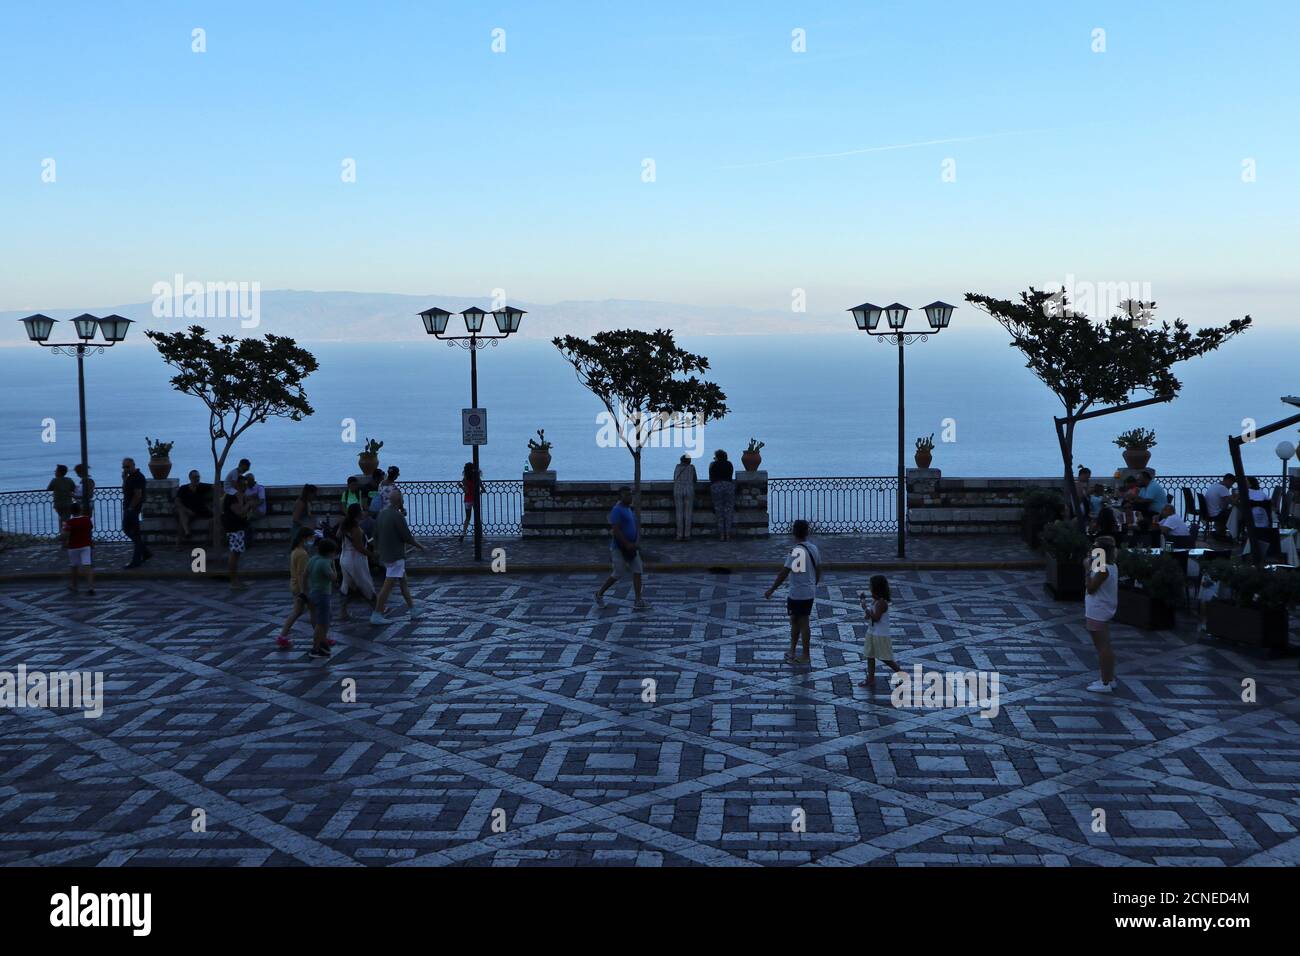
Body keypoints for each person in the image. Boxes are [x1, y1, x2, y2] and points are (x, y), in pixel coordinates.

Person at [763, 518, 821, 664]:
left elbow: (784, 573)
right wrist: (814, 584)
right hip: (808, 591)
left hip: (797, 593)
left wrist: (772, 589)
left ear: (794, 532)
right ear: (807, 532)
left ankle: (805, 654)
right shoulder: (813, 548)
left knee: (800, 622)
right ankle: (793, 650)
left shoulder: (796, 552)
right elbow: (819, 569)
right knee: (797, 621)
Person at [371, 488, 424, 623]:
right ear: (400, 501)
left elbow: (375, 535)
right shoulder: (397, 516)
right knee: (387, 585)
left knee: (403, 581)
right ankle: (377, 613)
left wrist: (378, 550)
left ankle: (413, 610)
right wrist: (421, 547)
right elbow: (407, 537)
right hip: (396, 556)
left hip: (386, 554)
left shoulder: (382, 514)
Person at [595, 486, 647, 610]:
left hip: (632, 547)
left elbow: (634, 525)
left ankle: (638, 600)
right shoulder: (617, 510)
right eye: (626, 495)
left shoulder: (629, 509)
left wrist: (636, 541)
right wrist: (626, 543)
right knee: (618, 573)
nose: (630, 497)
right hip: (619, 548)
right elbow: (616, 530)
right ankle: (599, 593)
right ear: (620, 497)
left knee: (638, 570)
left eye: (630, 494)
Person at [1084, 535, 1119, 693]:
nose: (1091, 549)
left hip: (1097, 610)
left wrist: (1086, 572)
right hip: (1102, 609)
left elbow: (1091, 588)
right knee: (1105, 646)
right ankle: (1109, 678)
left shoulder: (1103, 569)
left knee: (1102, 647)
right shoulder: (1110, 566)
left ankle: (1105, 682)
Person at [276, 528, 316, 650]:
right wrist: (304, 592)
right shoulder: (302, 554)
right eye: (311, 538)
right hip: (301, 588)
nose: (312, 540)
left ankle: (282, 636)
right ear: (304, 538)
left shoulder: (296, 551)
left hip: (295, 586)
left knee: (298, 612)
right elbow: (301, 574)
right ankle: (320, 637)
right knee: (313, 611)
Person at [858, 575, 901, 686]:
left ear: (876, 588)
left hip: (880, 635)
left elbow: (876, 618)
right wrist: (866, 607)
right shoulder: (875, 601)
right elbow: (869, 617)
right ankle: (871, 679)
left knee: (885, 658)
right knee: (870, 655)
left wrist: (865, 608)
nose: (869, 588)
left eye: (870, 586)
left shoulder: (882, 603)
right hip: (872, 633)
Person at [337, 503, 377, 621]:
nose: (364, 512)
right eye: (362, 510)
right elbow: (359, 547)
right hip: (355, 560)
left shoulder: (345, 524)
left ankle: (343, 612)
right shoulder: (356, 529)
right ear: (358, 513)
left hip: (345, 558)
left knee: (347, 586)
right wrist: (372, 555)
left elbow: (338, 535)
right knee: (366, 584)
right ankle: (377, 610)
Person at [307, 538, 339, 659]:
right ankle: (315, 648)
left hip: (313, 592)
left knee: (325, 618)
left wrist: (304, 590)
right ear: (329, 552)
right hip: (323, 595)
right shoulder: (325, 562)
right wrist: (334, 565)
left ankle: (323, 643)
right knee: (321, 623)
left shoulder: (313, 559)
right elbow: (334, 577)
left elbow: (305, 574)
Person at [121, 457, 153, 569]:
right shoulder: (130, 477)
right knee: (127, 530)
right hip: (129, 508)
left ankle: (136, 561)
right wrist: (124, 479)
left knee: (135, 534)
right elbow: (125, 491)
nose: (125, 469)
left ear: (133, 465)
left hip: (132, 510)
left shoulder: (138, 477)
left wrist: (130, 508)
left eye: (127, 467)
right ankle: (145, 552)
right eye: (124, 467)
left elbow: (138, 494)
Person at [61, 501, 95, 595]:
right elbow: (90, 528)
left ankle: (74, 586)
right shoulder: (87, 519)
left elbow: (65, 535)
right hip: (86, 545)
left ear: (71, 512)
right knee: (87, 565)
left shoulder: (69, 522)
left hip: (73, 546)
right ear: (80, 510)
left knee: (74, 566)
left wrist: (63, 529)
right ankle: (90, 587)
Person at [223, 478, 250, 590]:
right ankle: (233, 581)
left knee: (237, 554)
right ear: (236, 485)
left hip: (238, 527)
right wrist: (249, 504)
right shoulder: (231, 497)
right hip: (234, 528)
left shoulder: (239, 497)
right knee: (234, 554)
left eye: (246, 485)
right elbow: (240, 512)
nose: (244, 487)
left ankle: (235, 580)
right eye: (242, 485)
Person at [174, 469, 213, 544]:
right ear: (190, 478)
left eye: (198, 477)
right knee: (182, 514)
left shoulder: (202, 486)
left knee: (183, 519)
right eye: (195, 477)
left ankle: (184, 536)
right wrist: (187, 510)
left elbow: (215, 485)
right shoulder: (184, 488)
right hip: (185, 511)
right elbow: (177, 501)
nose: (197, 479)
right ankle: (186, 532)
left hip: (197, 511)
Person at [709, 449, 736, 541]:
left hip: (716, 487)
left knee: (719, 511)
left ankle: (721, 535)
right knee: (728, 511)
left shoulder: (713, 465)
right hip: (728, 486)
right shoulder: (729, 464)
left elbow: (711, 477)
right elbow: (730, 476)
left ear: (717, 457)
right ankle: (728, 534)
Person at [672, 455, 697, 541]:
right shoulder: (692, 468)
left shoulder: (677, 467)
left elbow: (674, 478)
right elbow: (695, 480)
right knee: (688, 513)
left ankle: (679, 535)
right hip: (689, 490)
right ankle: (687, 534)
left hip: (678, 490)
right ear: (689, 461)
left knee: (679, 512)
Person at [1204, 474, 1235, 540]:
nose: (1231, 486)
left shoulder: (1214, 485)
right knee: (1235, 514)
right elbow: (1233, 503)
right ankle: (1234, 535)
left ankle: (1220, 531)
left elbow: (1226, 501)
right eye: (1231, 483)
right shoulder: (1222, 488)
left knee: (1231, 511)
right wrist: (1238, 496)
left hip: (1209, 512)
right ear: (1228, 481)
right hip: (1216, 514)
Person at [242, 472, 267, 548]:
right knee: (245, 519)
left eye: (247, 481)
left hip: (259, 511)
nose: (246, 483)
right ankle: (247, 541)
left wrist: (252, 503)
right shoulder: (245, 489)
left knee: (246, 519)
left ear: (252, 480)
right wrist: (253, 498)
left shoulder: (260, 488)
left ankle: (248, 542)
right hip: (248, 510)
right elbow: (244, 499)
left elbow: (261, 500)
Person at [458, 462, 480, 543]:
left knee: (467, 518)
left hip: (467, 500)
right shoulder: (476, 477)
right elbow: (482, 488)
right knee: (477, 517)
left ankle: (463, 534)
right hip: (475, 499)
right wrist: (480, 491)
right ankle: (479, 534)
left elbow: (466, 491)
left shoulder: (465, 479)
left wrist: (461, 486)